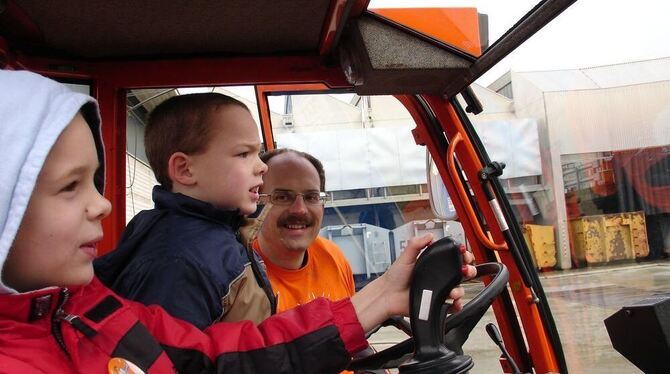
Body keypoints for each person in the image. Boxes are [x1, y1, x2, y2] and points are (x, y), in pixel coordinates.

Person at [0, 69, 440, 373]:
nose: (104, 206)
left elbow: (220, 356)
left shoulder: (83, 310)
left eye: (95, 183)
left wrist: (382, 296)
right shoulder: (181, 256)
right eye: (69, 187)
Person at [94, 92, 276, 328]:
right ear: (185, 170)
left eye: (259, 153)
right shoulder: (178, 262)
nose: (262, 166)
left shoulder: (218, 234)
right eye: (244, 154)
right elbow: (172, 359)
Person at [253, 148, 475, 313]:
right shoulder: (239, 281)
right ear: (256, 202)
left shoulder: (332, 256)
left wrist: (414, 293)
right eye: (282, 197)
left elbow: (350, 327)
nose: (300, 210)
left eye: (312, 197)